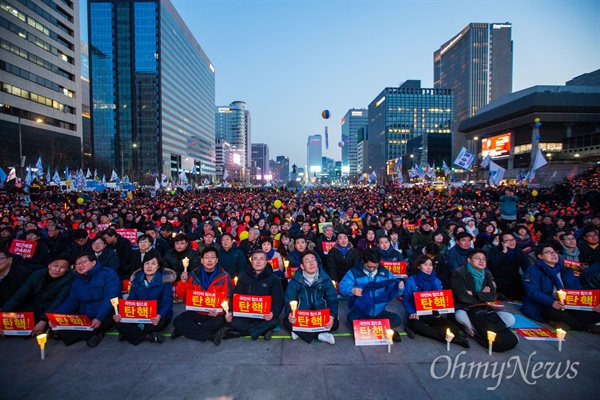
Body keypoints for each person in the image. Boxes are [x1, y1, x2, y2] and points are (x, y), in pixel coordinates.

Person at [521, 243, 600, 333]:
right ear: (540, 256)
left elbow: (578, 289)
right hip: (545, 304)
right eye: (548, 252)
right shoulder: (533, 271)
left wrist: (590, 304)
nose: (554, 254)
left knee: (596, 312)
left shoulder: (566, 270)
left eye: (554, 252)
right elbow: (533, 292)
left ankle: (560, 322)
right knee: (556, 313)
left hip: (568, 304)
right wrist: (552, 302)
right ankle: (586, 327)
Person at [51, 253, 121, 347]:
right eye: (77, 264)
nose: (80, 265)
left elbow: (110, 298)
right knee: (63, 323)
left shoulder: (108, 274)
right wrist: (56, 315)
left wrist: (99, 318)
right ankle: (94, 334)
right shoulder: (77, 279)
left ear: (93, 262)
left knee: (113, 318)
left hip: (106, 311)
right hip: (85, 313)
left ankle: (89, 333)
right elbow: (72, 301)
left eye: (83, 262)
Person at [402, 254, 469, 348]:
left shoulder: (436, 281)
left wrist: (439, 312)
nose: (429, 268)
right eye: (425, 265)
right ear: (418, 266)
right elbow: (406, 300)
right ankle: (452, 339)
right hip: (416, 314)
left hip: (432, 314)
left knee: (454, 328)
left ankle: (430, 330)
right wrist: (412, 312)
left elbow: (439, 299)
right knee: (418, 325)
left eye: (430, 265)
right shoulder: (411, 281)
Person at [338, 248, 404, 341]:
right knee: (351, 318)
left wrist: (400, 288)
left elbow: (393, 291)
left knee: (397, 319)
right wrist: (351, 290)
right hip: (362, 310)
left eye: (375, 266)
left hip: (379, 311)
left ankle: (368, 327)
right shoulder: (354, 272)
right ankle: (381, 328)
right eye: (369, 267)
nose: (372, 269)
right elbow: (342, 287)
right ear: (363, 262)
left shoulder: (385, 273)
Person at [2, 255, 75, 336]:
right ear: (49, 265)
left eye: (62, 267)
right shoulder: (37, 274)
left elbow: (59, 300)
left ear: (68, 269)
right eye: (55, 265)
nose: (57, 269)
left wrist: (43, 320)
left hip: (53, 309)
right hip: (35, 306)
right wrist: (2, 314)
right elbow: (19, 296)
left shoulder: (70, 279)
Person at [172, 247, 232, 345]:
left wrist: (219, 311)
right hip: (197, 312)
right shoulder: (193, 274)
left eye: (212, 257)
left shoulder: (224, 276)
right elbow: (181, 295)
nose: (209, 260)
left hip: (213, 314)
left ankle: (186, 331)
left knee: (220, 322)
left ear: (216, 260)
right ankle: (209, 335)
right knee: (178, 321)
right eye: (206, 257)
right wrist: (183, 282)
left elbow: (227, 297)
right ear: (202, 260)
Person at [113, 250, 175, 344]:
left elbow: (167, 302)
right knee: (118, 322)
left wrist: (159, 315)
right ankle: (149, 336)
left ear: (158, 266)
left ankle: (129, 334)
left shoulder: (165, 281)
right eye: (147, 263)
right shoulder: (136, 280)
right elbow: (131, 301)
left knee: (158, 324)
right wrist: (122, 314)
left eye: (153, 263)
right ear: (143, 265)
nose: (149, 266)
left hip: (157, 314)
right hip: (140, 314)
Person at [451, 249, 515, 338]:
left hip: (482, 310)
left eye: (483, 259)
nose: (481, 261)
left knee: (510, 318)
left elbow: (493, 296)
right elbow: (462, 296)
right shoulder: (459, 273)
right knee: (460, 316)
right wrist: (482, 295)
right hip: (464, 308)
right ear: (469, 260)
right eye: (478, 258)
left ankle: (480, 329)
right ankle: (481, 330)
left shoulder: (487, 274)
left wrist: (474, 293)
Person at [223, 250, 283, 340]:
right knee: (229, 320)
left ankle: (240, 333)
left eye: (261, 259)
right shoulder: (243, 276)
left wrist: (272, 313)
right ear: (251, 261)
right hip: (245, 314)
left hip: (263, 316)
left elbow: (278, 300)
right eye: (255, 259)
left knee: (274, 321)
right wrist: (230, 311)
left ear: (266, 262)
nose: (258, 262)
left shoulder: (273, 279)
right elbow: (236, 295)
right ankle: (263, 330)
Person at [284, 250, 339, 344]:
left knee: (335, 324)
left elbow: (332, 298)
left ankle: (300, 332)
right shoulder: (296, 280)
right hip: (302, 313)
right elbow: (289, 298)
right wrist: (290, 313)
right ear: (302, 266)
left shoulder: (325, 279)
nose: (311, 263)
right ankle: (320, 334)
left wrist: (332, 315)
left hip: (320, 313)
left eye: (313, 260)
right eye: (307, 261)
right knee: (287, 321)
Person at [486, 232, 530, 300]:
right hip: (499, 279)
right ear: (502, 242)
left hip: (514, 279)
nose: (511, 242)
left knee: (525, 292)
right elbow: (493, 263)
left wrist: (528, 280)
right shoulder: (495, 250)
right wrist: (504, 251)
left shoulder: (518, 251)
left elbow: (527, 268)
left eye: (512, 240)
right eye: (507, 241)